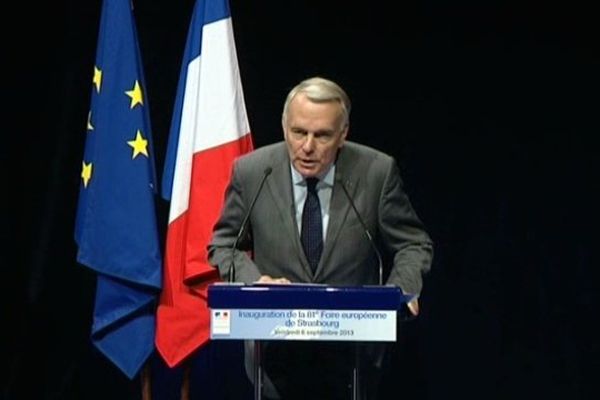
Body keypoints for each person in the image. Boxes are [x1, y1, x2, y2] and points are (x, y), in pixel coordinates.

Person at [208, 76, 433, 399]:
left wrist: (399, 290)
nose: (308, 146)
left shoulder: (376, 172)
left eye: (322, 135)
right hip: (273, 352)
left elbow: (413, 243)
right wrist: (256, 282)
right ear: (285, 127)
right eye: (298, 132)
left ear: (343, 135)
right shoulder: (253, 172)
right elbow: (223, 244)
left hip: (353, 355)